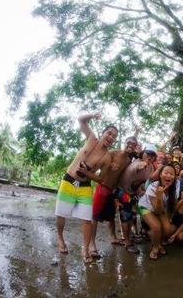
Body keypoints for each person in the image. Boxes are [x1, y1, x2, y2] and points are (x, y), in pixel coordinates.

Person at [54, 113, 117, 263]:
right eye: (109, 133)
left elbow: (101, 179)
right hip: (69, 181)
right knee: (61, 214)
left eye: (114, 136)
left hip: (85, 186)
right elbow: (81, 119)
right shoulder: (91, 138)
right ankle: (60, 238)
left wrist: (87, 173)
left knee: (87, 219)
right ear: (103, 133)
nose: (111, 137)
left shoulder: (107, 158)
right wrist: (93, 115)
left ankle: (86, 248)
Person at [89, 136, 138, 258]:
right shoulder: (113, 153)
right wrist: (109, 165)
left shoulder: (128, 161)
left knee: (111, 216)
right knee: (94, 217)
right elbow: (98, 165)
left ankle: (113, 237)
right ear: (124, 142)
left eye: (133, 144)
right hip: (102, 187)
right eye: (129, 143)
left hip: (114, 190)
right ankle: (91, 244)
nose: (130, 145)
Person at [115, 149, 155, 254]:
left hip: (133, 194)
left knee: (132, 217)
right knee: (125, 218)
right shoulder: (137, 162)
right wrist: (141, 165)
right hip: (123, 192)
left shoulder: (150, 167)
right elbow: (136, 167)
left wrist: (141, 191)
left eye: (152, 155)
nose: (150, 157)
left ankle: (129, 238)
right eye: (148, 154)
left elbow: (145, 181)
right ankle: (127, 243)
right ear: (142, 155)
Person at [138, 164, 177, 260]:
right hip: (146, 207)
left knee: (167, 229)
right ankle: (155, 247)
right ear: (160, 174)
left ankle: (156, 240)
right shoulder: (152, 187)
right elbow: (157, 210)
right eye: (166, 173)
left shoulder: (174, 188)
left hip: (160, 208)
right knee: (156, 227)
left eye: (171, 174)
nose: (168, 176)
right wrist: (159, 196)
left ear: (174, 177)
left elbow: (168, 208)